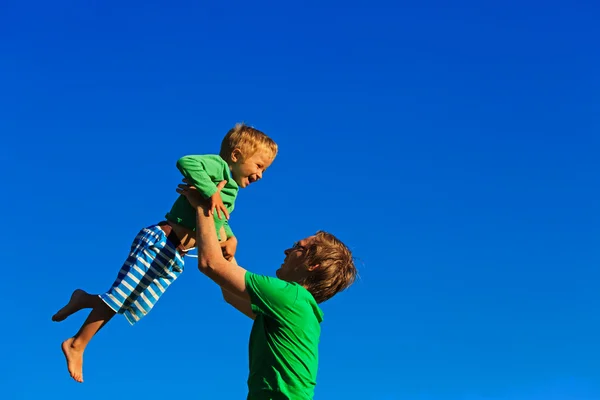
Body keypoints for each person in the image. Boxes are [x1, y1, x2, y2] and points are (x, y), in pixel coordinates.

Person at [51, 123, 278, 383]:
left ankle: (84, 299)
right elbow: (187, 162)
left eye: (265, 170)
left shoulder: (232, 191)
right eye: (259, 166)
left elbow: (219, 218)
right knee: (121, 295)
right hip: (161, 240)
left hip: (174, 255)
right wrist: (210, 191)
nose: (261, 175)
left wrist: (229, 236)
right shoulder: (219, 167)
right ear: (236, 156)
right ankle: (76, 344)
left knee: (130, 302)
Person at [177, 180, 357, 400]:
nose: (286, 251)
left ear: (313, 264)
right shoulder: (296, 310)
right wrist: (228, 247)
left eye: (297, 247)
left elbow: (210, 264)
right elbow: (230, 293)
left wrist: (203, 208)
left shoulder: (290, 297)